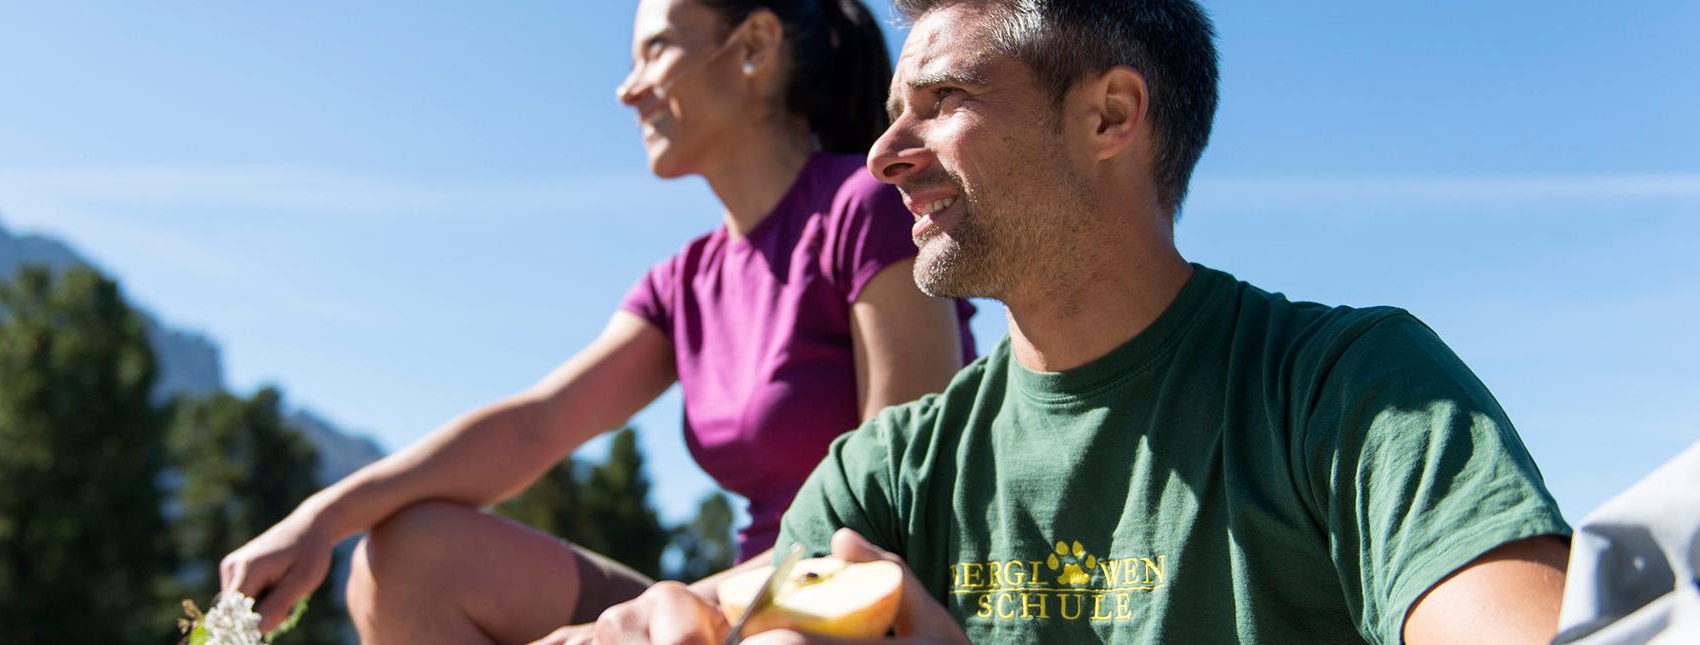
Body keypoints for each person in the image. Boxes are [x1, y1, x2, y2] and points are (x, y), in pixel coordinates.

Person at [592, 1, 1574, 643]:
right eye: (893, 110)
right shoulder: (885, 476)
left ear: (1109, 116)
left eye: (943, 99)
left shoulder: (1357, 395)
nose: (885, 154)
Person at [218, 0, 979, 642]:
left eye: (656, 52)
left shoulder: (869, 208)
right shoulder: (684, 282)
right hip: (731, 605)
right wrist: (322, 520)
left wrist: (636, 622)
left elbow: (892, 502)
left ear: (753, 47)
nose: (626, 89)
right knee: (409, 556)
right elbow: (536, 425)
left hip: (845, 602)